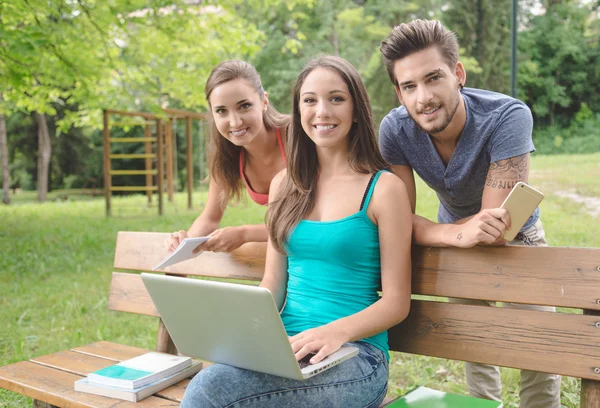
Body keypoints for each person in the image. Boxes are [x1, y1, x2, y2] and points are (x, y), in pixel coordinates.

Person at [180, 55, 413, 408]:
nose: (322, 111)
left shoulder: (384, 188)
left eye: (336, 98)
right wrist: (244, 328)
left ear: (356, 108)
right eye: (310, 100)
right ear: (298, 108)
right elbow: (273, 284)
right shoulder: (283, 186)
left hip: (356, 357)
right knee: (212, 381)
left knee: (210, 394)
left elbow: (396, 303)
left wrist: (335, 332)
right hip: (285, 348)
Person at [378, 19, 560, 408]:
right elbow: (395, 222)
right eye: (409, 86)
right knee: (474, 342)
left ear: (457, 74)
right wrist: (451, 235)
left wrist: (436, 231)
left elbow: (493, 227)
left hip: (519, 234)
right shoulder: (394, 130)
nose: (423, 97)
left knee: (540, 343)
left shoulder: (507, 116)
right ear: (398, 92)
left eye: (433, 78)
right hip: (452, 236)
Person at [168, 60, 290, 253]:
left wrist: (245, 233)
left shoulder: (297, 137)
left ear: (264, 101)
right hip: (284, 252)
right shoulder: (227, 156)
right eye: (221, 111)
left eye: (244, 106)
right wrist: (185, 244)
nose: (235, 122)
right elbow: (210, 218)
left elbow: (315, 222)